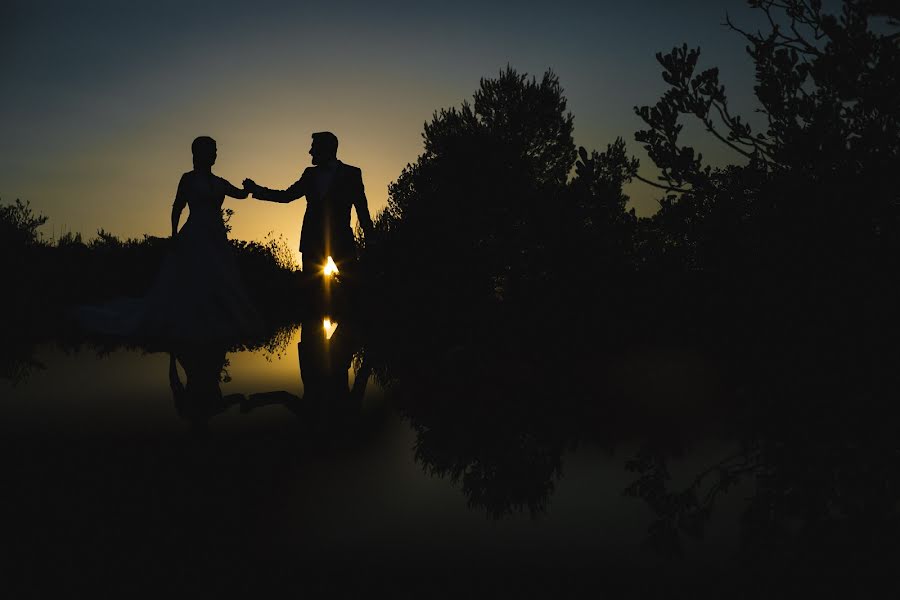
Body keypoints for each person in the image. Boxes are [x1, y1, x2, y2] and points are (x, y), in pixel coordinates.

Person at [78, 136, 264, 341]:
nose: (214, 154)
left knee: (219, 276)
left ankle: (212, 321)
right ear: (198, 154)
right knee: (192, 276)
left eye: (215, 150)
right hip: (194, 233)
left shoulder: (220, 182)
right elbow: (178, 207)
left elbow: (239, 194)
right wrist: (174, 233)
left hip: (216, 236)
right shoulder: (188, 179)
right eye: (210, 150)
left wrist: (249, 187)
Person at [242, 132, 374, 280]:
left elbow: (362, 208)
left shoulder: (352, 174)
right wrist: (257, 190)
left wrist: (370, 237)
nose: (310, 151)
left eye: (314, 147)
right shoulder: (309, 174)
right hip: (312, 241)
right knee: (312, 292)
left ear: (326, 149)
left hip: (341, 240)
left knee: (353, 286)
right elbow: (287, 196)